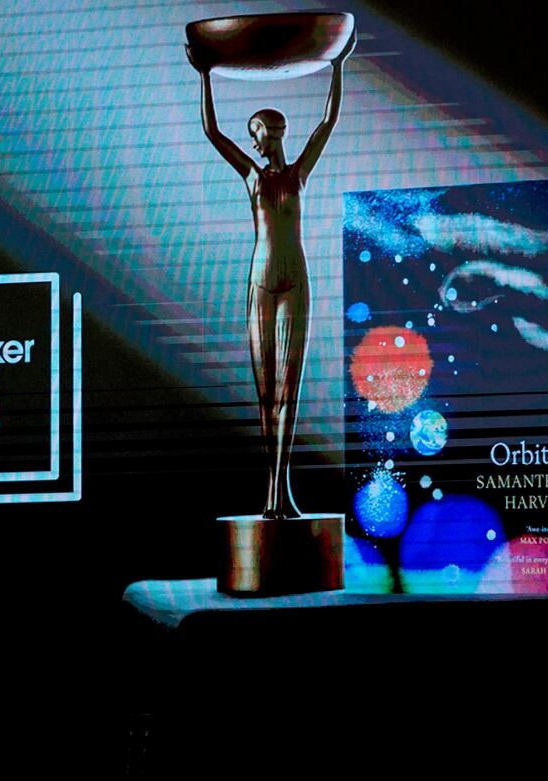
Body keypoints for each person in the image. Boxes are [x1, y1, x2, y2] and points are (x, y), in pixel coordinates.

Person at [191, 29, 353, 517]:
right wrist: (205, 75)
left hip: (294, 280)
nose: (261, 140)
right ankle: (271, 495)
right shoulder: (252, 176)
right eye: (259, 134)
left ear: (273, 133)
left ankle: (284, 492)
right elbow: (212, 133)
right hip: (263, 281)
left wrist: (338, 65)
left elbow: (327, 122)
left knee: (290, 387)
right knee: (265, 391)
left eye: (264, 131)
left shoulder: (297, 174)